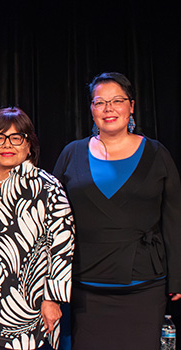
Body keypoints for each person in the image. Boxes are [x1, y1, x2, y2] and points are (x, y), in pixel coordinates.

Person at [53, 72, 181, 350]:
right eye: (100, 102)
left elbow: (174, 218)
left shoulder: (157, 154)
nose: (108, 108)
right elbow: (53, 222)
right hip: (86, 285)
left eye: (117, 101)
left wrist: (178, 276)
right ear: (91, 109)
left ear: (131, 106)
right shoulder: (71, 154)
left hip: (144, 285)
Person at [0, 107, 74, 350]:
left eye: (16, 138)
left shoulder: (46, 187)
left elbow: (62, 246)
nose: (6, 144)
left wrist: (52, 299)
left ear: (29, 145)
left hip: (25, 313)